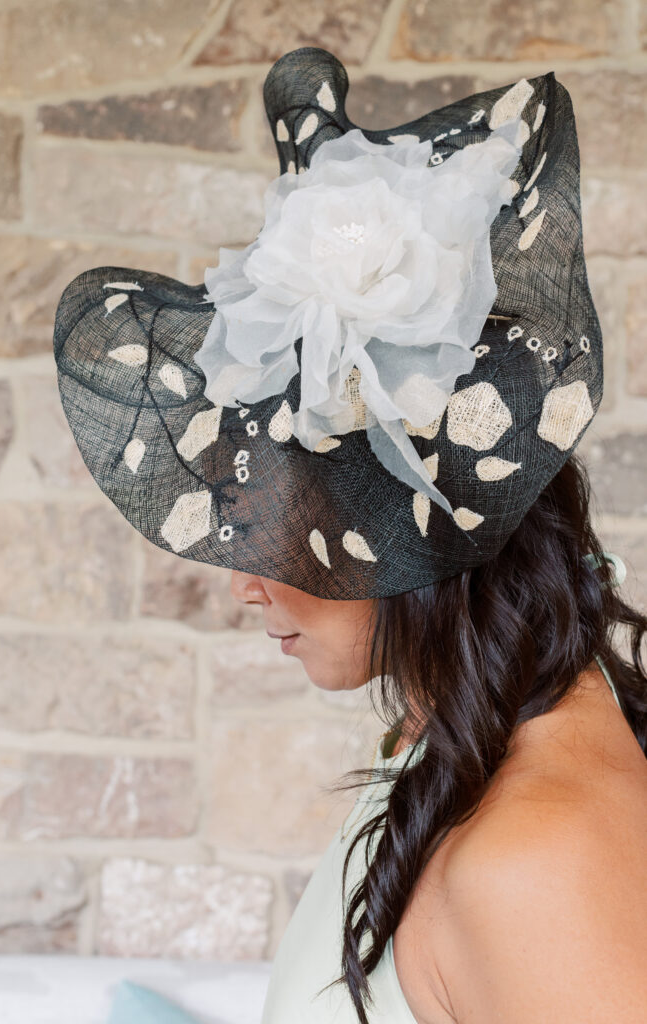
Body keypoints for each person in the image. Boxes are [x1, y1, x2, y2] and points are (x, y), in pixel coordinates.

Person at [52, 46, 647, 1024]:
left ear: (412, 522)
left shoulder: (536, 860)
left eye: (263, 526)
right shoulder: (461, 732)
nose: (243, 582)